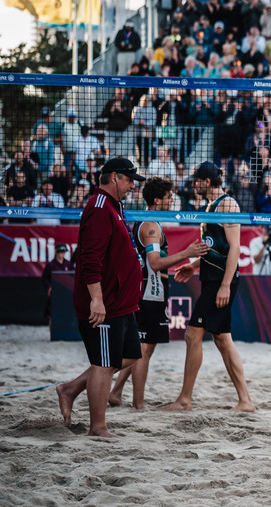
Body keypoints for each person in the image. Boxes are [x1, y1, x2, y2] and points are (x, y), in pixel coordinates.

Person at [55, 157, 145, 437]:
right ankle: (98, 427)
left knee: (129, 356)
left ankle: (70, 388)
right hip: (105, 303)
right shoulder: (98, 208)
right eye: (130, 180)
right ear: (115, 177)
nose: (133, 186)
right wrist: (97, 299)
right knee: (104, 364)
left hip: (122, 301)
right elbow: (90, 258)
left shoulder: (114, 207)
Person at [162, 162, 256, 412]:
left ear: (207, 181)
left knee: (193, 335)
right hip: (211, 279)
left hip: (220, 282)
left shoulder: (228, 204)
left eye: (197, 181)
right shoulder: (211, 206)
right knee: (222, 339)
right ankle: (245, 400)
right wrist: (194, 265)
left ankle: (185, 400)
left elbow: (235, 247)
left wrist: (225, 285)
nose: (194, 185)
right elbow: (215, 249)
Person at [108, 177, 209, 410]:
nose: (172, 200)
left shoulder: (150, 221)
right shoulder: (150, 225)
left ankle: (116, 392)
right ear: (156, 200)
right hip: (149, 291)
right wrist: (188, 253)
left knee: (141, 346)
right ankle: (139, 404)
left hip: (151, 290)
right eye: (168, 197)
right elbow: (154, 263)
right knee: (145, 348)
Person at [42, 243, 75, 324]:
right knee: (52, 314)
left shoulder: (68, 264)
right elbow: (44, 278)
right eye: (60, 252)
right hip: (55, 293)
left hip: (66, 293)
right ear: (56, 252)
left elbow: (73, 277)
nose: (61, 254)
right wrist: (49, 286)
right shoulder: (51, 265)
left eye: (63, 252)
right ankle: (52, 335)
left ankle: (65, 333)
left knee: (66, 312)